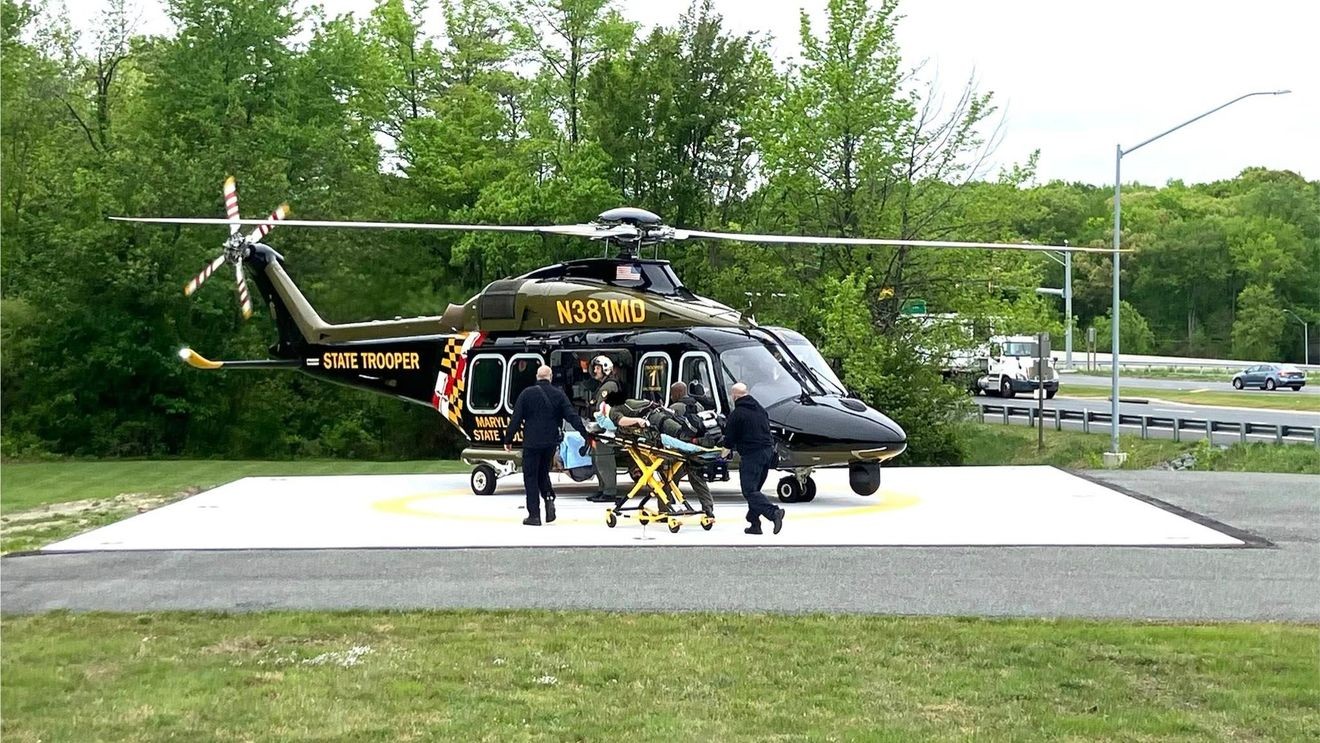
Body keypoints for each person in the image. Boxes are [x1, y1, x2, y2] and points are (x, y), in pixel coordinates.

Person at [503, 365, 590, 526]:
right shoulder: (559, 394)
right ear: (550, 377)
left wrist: (508, 439)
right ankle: (549, 498)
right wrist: (585, 434)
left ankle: (534, 515)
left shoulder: (526, 394)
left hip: (532, 442)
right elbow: (572, 416)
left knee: (531, 477)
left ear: (537, 376)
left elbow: (516, 418)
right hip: (550, 442)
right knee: (543, 473)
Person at [721, 382, 785, 535]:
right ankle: (754, 524)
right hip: (768, 452)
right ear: (747, 393)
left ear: (734, 396)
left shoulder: (737, 414)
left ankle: (773, 513)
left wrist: (721, 456)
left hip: (752, 455)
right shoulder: (761, 409)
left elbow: (729, 440)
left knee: (749, 491)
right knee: (755, 491)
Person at [667, 381, 715, 520]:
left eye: (672, 394)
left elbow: (670, 428)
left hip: (680, 449)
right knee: (697, 479)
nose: (671, 397)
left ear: (677, 393)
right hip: (697, 448)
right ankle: (708, 507)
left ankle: (667, 506)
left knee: (669, 478)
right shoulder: (699, 406)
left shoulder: (674, 408)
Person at [587, 355, 624, 503]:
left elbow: (603, 409)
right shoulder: (605, 385)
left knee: (604, 460)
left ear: (606, 369)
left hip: (606, 431)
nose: (595, 371)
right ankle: (602, 489)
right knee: (598, 460)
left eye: (597, 368)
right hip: (601, 430)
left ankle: (609, 491)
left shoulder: (608, 387)